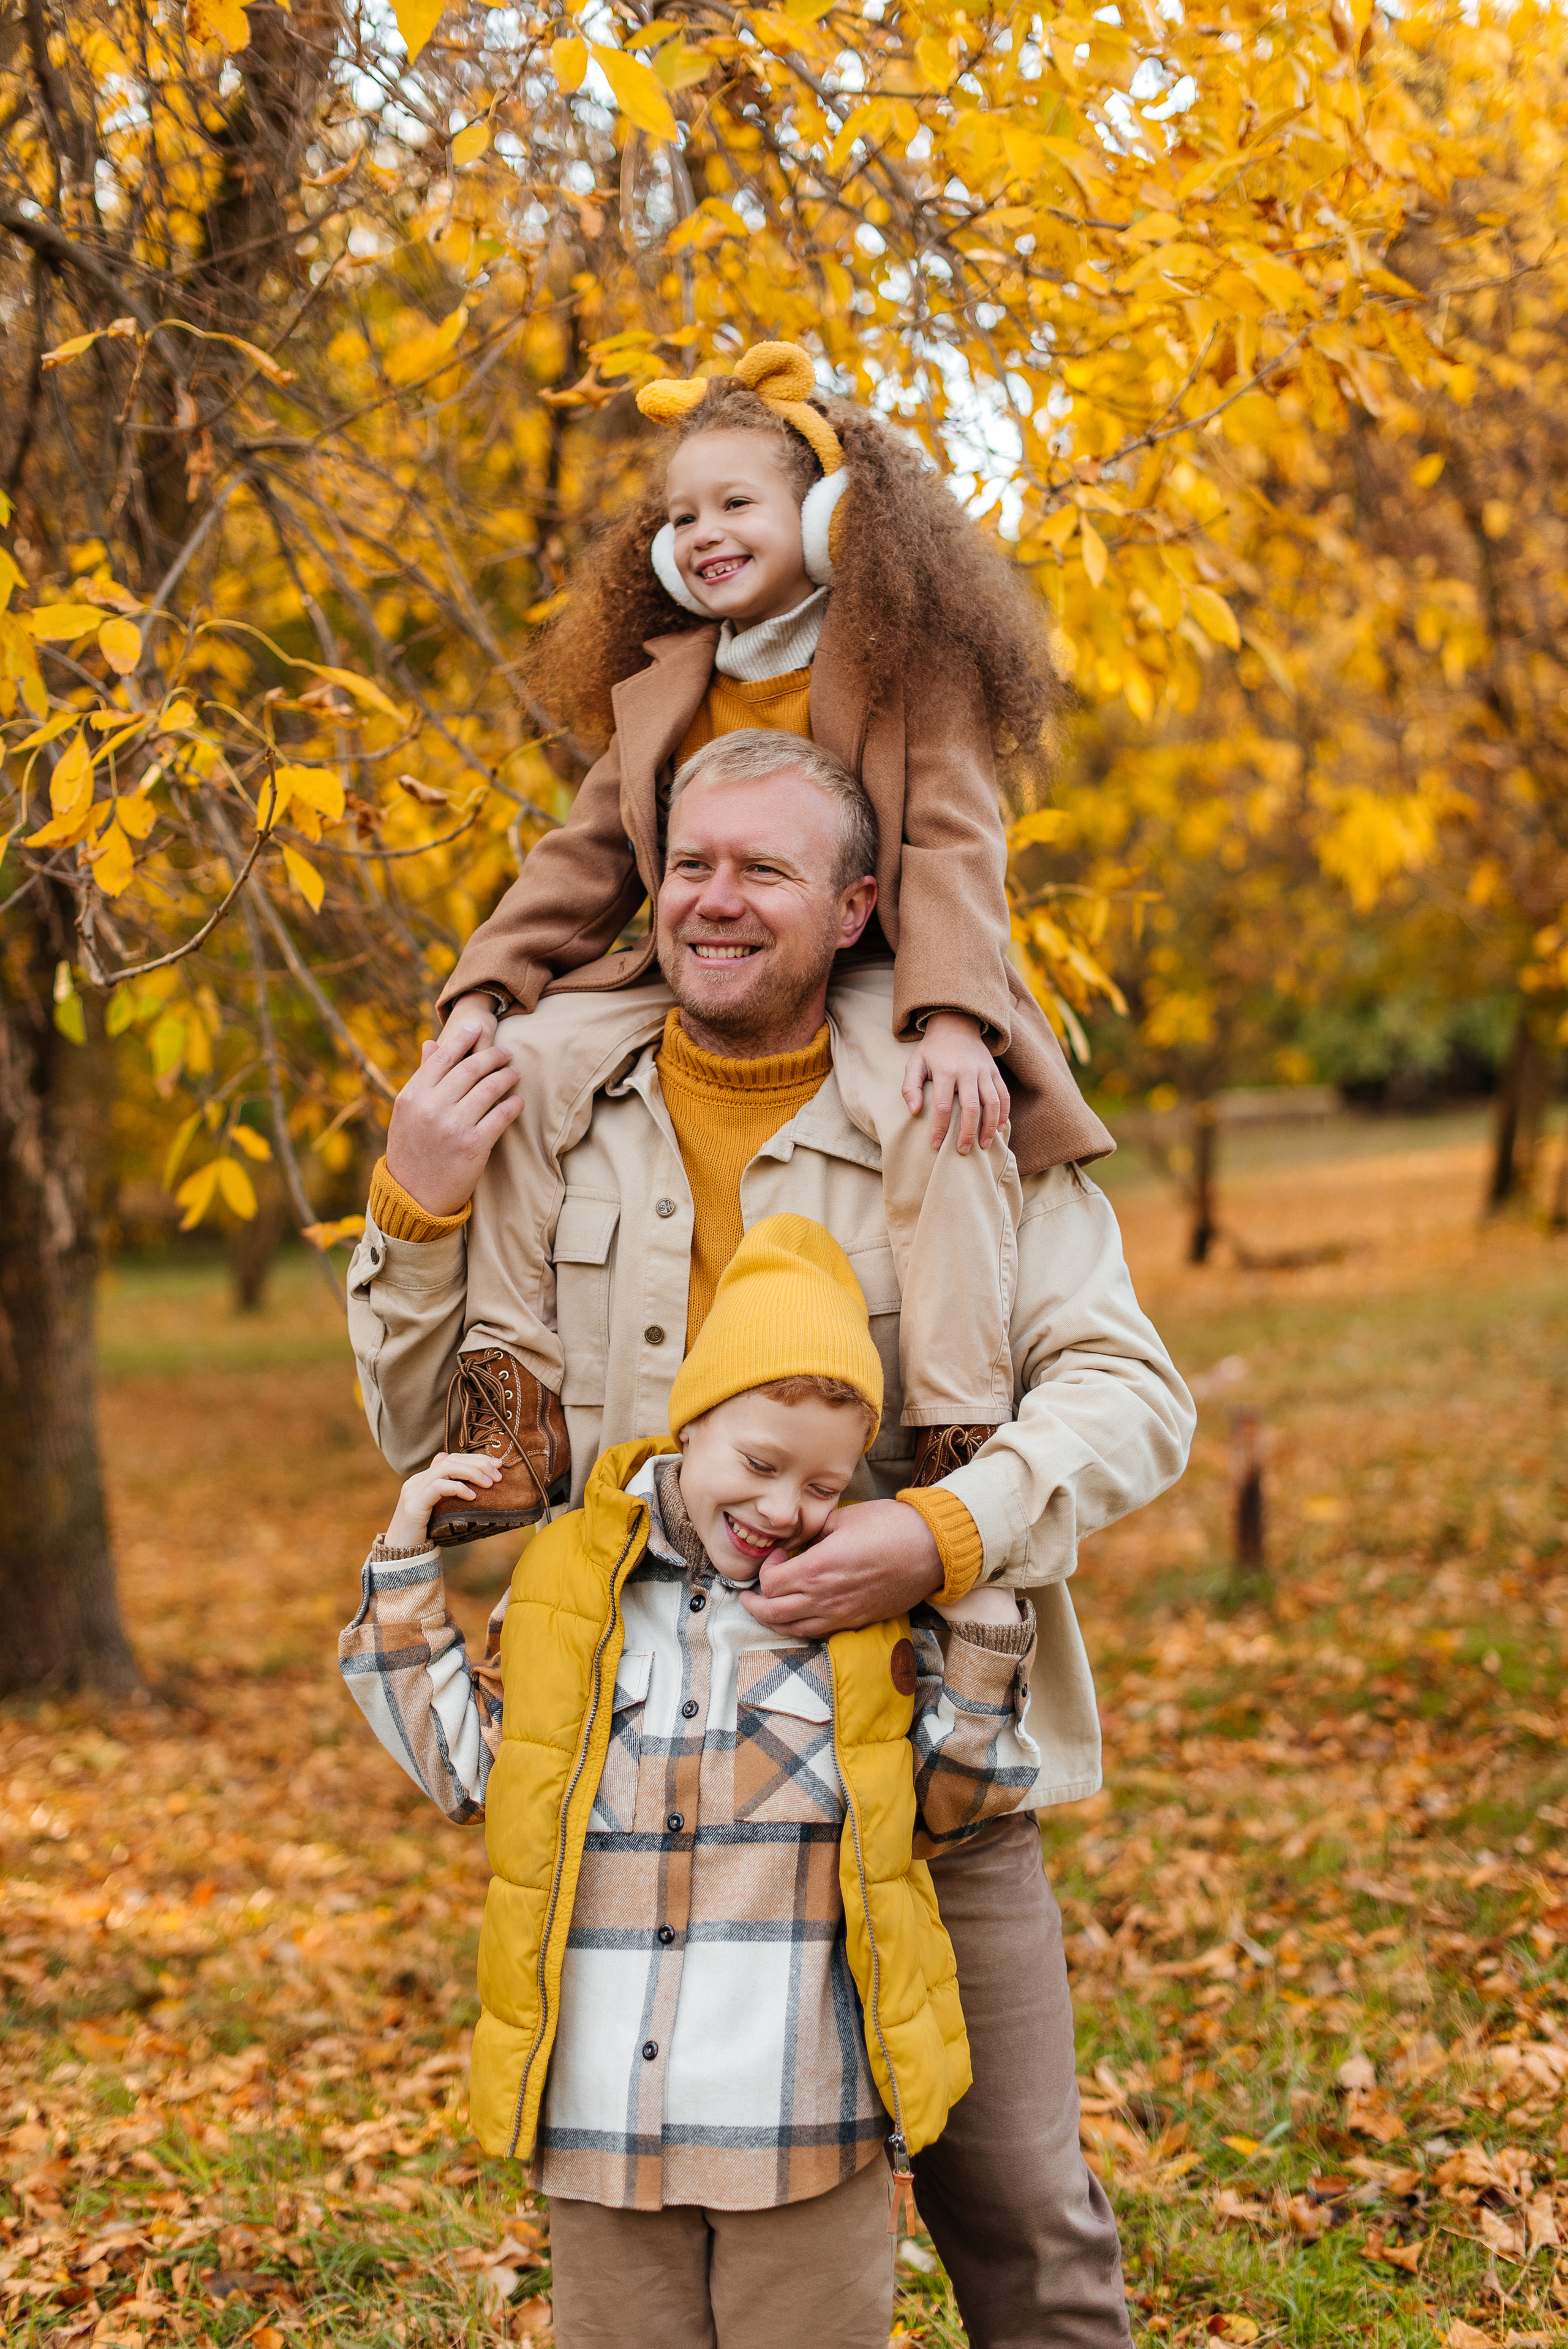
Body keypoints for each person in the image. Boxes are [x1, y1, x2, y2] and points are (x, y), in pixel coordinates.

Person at [349, 734, 1196, 2349]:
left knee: (1018, 2209)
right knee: (654, 2223)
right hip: (650, 1802)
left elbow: (1132, 1395)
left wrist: (940, 1534)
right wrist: (417, 1203)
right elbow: (432, 1450)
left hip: (918, 1760)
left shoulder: (955, 1103)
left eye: (765, 869)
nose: (712, 899)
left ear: (861, 901)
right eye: (690, 861)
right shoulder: (548, 1108)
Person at [381, 336, 1114, 1543]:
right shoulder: (668, 679)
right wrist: (487, 991)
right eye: (680, 516)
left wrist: (948, 1021)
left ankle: (957, 1428)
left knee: (939, 1114)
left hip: (885, 975)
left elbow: (950, 842)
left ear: (830, 519)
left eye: (735, 504)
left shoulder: (901, 663)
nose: (701, 533)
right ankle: (505, 1409)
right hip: (705, 967)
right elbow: (587, 855)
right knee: (528, 1063)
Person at [341, 1216, 1044, 2349]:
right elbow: (472, 1773)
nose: (785, 1509)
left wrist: (984, 1635)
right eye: (758, 1464)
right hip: (606, 2116)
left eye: (825, 1482)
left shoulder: (857, 1616)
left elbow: (950, 1807)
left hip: (800, 2114)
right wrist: (410, 1563)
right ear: (694, 1423)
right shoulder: (574, 1582)